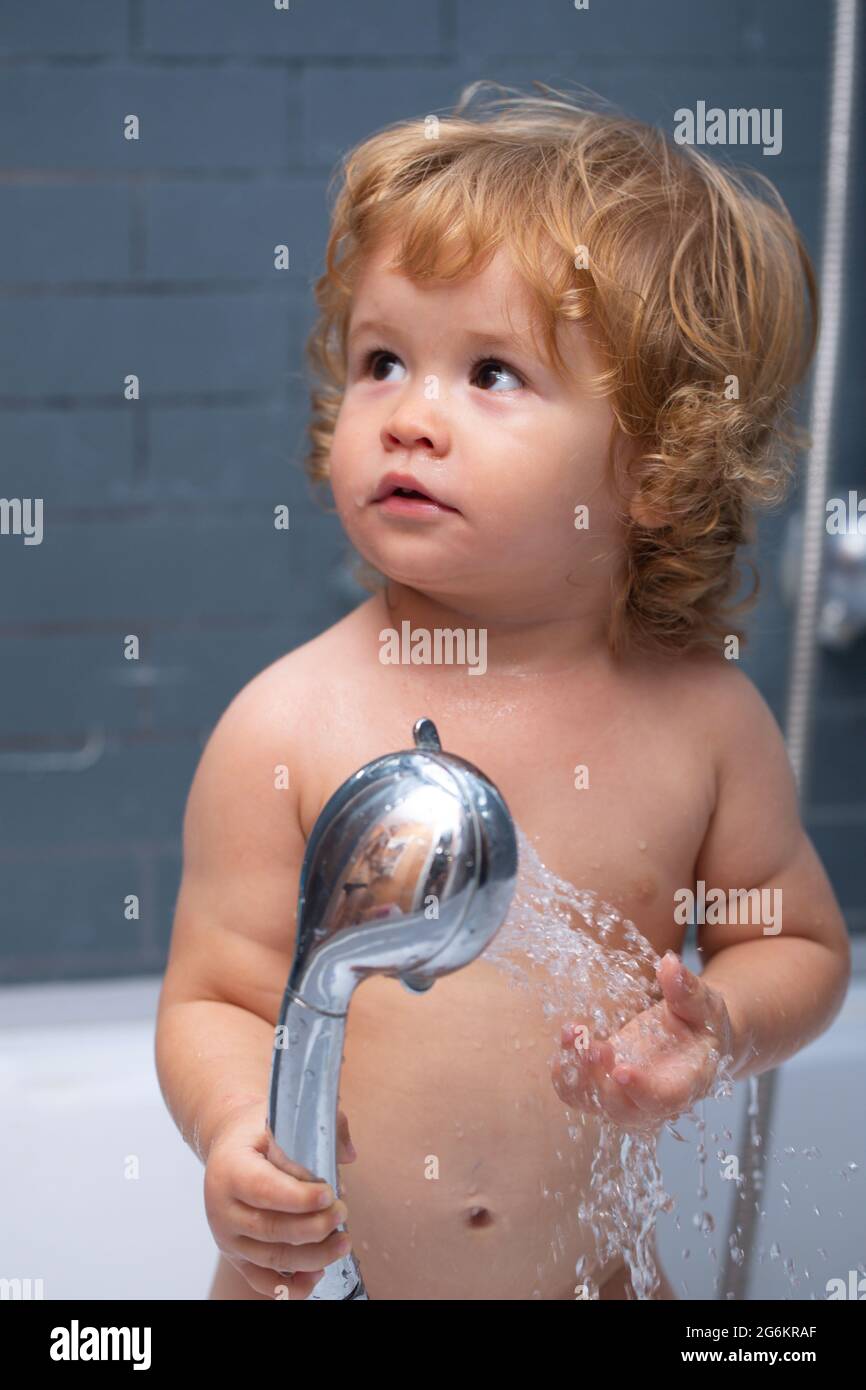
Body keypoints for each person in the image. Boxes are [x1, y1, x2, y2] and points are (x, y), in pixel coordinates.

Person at [155, 82, 850, 1301]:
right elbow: (214, 992)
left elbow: (790, 942)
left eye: (490, 373)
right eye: (382, 361)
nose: (409, 417)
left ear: (653, 462)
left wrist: (717, 1027)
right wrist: (231, 1134)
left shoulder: (699, 723)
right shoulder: (291, 722)